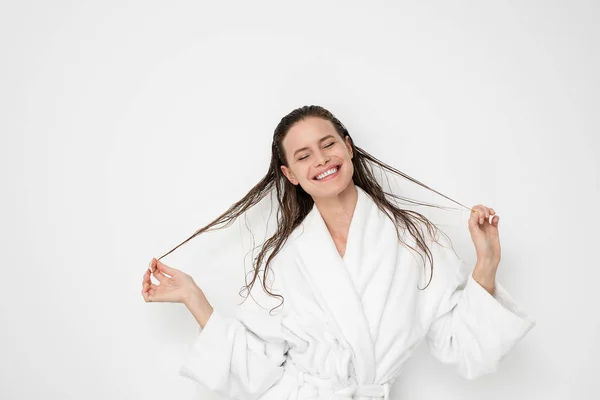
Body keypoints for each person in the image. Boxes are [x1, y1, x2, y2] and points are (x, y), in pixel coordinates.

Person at [141, 105, 536, 400]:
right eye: (303, 155)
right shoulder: (282, 261)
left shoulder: (415, 240)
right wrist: (193, 297)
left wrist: (486, 263)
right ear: (290, 175)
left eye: (328, 144)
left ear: (348, 149)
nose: (321, 159)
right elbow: (255, 371)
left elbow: (464, 348)